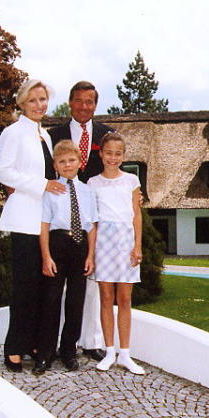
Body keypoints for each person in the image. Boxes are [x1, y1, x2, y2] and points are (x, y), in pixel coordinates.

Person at [0, 79, 64, 372]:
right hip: (24, 219)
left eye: (43, 99)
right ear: (22, 103)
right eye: (34, 100)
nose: (40, 105)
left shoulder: (45, 137)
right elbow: (4, 172)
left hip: (45, 221)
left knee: (41, 287)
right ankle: (14, 347)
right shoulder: (13, 133)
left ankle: (35, 343)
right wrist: (41, 184)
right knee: (24, 286)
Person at [48, 81, 115, 361]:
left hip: (94, 215)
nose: (84, 106)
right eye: (79, 101)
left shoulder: (106, 134)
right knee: (55, 289)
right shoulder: (53, 135)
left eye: (89, 102)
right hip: (60, 216)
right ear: (70, 102)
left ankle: (90, 341)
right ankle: (52, 345)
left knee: (90, 282)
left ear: (95, 105)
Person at [36, 139, 98, 375]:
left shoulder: (87, 191)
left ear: (79, 162)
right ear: (55, 165)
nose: (67, 164)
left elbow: (91, 226)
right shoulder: (51, 190)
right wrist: (46, 256)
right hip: (57, 244)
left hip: (80, 246)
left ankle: (69, 350)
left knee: (75, 302)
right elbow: (44, 225)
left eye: (71, 160)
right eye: (62, 161)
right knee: (51, 300)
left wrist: (90, 255)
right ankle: (45, 352)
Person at [88, 132, 145, 374]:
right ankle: (109, 351)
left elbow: (136, 214)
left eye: (118, 154)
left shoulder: (131, 181)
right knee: (105, 297)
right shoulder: (93, 183)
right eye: (109, 153)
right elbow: (92, 221)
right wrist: (91, 253)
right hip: (103, 241)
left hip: (125, 241)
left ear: (123, 155)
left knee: (124, 298)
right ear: (101, 154)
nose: (113, 158)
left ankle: (125, 354)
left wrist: (137, 245)